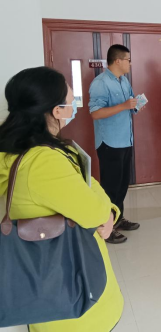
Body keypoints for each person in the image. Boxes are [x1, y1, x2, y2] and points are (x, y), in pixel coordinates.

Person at [0, 67, 123, 331]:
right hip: (71, 298)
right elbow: (93, 211)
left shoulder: (14, 149)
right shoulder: (43, 161)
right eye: (71, 100)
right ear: (57, 111)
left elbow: (86, 187)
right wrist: (109, 211)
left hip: (43, 286)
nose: (74, 105)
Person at [89, 44, 140, 245]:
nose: (130, 63)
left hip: (125, 140)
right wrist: (124, 106)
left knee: (122, 184)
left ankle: (117, 218)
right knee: (110, 187)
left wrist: (135, 106)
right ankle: (105, 227)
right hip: (109, 143)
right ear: (118, 61)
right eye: (128, 60)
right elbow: (95, 113)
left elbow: (129, 104)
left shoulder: (124, 80)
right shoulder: (100, 83)